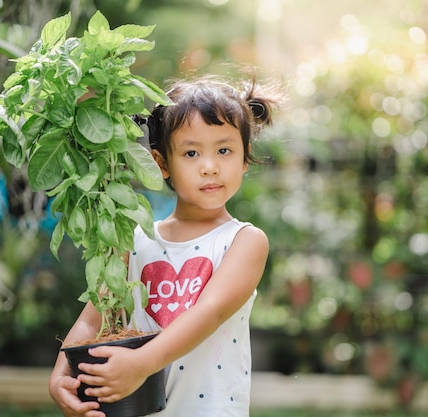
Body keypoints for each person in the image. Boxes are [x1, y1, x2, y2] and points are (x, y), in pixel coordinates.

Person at [49, 74, 283, 417]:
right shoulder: (135, 237)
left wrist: (141, 363)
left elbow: (210, 311)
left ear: (245, 158)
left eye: (224, 150)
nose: (209, 166)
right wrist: (62, 372)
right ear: (161, 164)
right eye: (191, 152)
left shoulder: (243, 241)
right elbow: (94, 315)